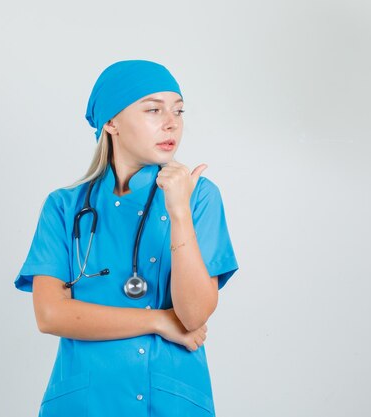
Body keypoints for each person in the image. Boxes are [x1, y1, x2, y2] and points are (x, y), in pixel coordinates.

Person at [14, 59, 239, 417]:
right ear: (111, 122)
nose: (172, 123)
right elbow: (50, 314)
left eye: (178, 111)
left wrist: (179, 211)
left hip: (172, 401)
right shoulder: (64, 207)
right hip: (83, 403)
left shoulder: (198, 196)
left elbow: (193, 315)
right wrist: (157, 321)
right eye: (153, 109)